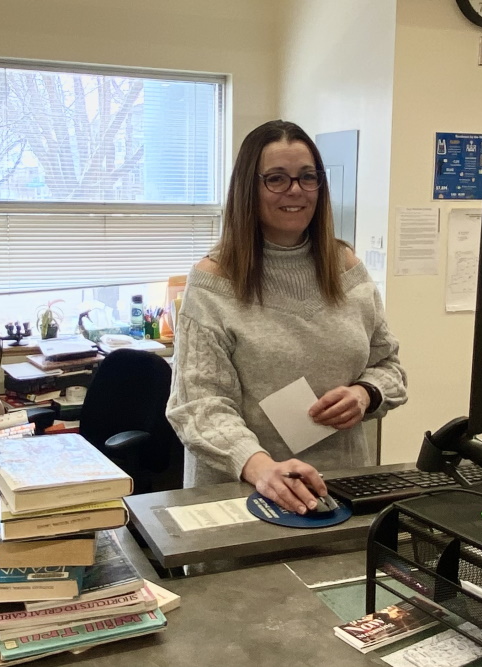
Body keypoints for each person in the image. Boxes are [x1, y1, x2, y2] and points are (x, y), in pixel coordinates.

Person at [166, 119, 408, 515]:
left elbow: (389, 367)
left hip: (339, 493)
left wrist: (365, 394)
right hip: (244, 496)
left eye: (307, 177)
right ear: (249, 188)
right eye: (276, 179)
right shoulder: (213, 283)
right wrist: (261, 467)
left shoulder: (346, 268)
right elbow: (197, 407)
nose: (295, 190)